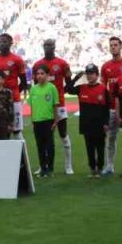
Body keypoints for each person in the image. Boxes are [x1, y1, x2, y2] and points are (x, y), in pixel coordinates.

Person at [38, 39, 74, 174]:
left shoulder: (62, 64)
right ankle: (44, 166)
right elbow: (38, 86)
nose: (47, 48)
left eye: (50, 46)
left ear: (54, 47)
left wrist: (66, 88)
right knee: (46, 137)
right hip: (45, 107)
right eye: (45, 45)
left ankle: (68, 166)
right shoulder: (38, 65)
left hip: (60, 105)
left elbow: (69, 83)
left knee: (63, 134)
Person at [65, 65, 108, 176]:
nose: (89, 76)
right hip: (86, 124)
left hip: (99, 124)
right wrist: (75, 78)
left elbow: (107, 107)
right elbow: (67, 89)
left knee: (100, 147)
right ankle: (92, 168)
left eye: (92, 73)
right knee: (89, 147)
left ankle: (100, 168)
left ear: (97, 75)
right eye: (88, 73)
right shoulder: (81, 88)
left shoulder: (103, 89)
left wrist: (106, 123)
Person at [0, 33, 27, 138]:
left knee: (17, 132)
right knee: (1, 132)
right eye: (0, 42)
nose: (2, 44)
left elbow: (23, 82)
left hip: (14, 101)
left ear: (10, 43)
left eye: (4, 42)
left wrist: (14, 92)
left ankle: (23, 155)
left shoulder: (17, 60)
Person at [100, 36, 122, 175]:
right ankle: (109, 166)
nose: (113, 47)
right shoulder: (106, 67)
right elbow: (103, 88)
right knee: (111, 137)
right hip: (110, 107)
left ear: (121, 46)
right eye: (111, 45)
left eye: (116, 44)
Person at [28, 64, 59, 177]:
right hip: (37, 121)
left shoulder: (51, 88)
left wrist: (56, 120)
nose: (40, 76)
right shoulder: (33, 89)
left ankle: (50, 169)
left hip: (48, 120)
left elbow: (55, 105)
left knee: (49, 145)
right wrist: (32, 121)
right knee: (40, 146)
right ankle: (43, 168)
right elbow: (32, 107)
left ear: (47, 75)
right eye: (38, 74)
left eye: (42, 74)